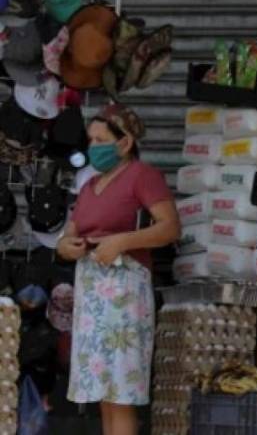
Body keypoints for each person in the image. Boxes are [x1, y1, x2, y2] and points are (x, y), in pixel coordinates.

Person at [56, 103, 180, 435]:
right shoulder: (89, 186)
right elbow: (68, 234)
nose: (93, 147)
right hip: (91, 296)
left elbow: (170, 228)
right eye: (91, 140)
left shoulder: (143, 176)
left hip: (124, 293)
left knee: (120, 392)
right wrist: (65, 246)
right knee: (102, 393)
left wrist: (121, 242)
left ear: (124, 143)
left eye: (101, 140)